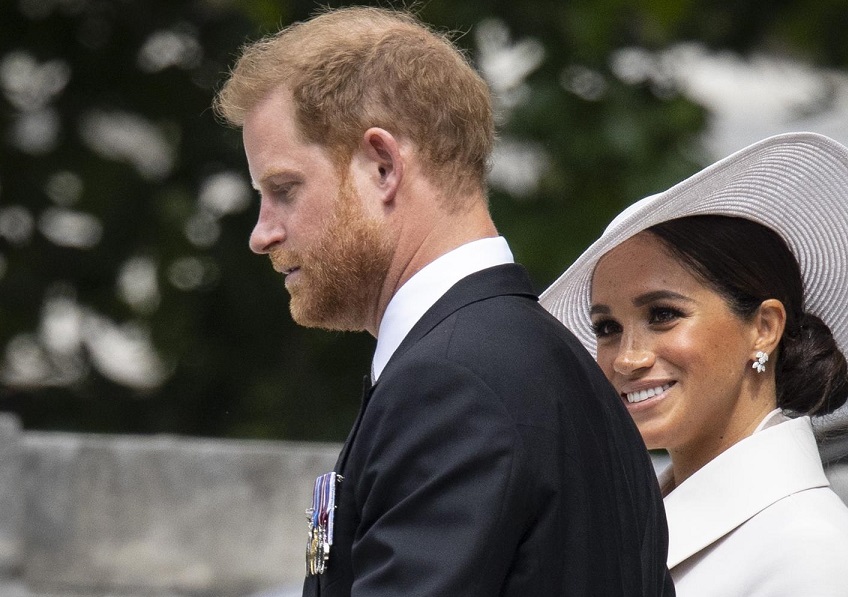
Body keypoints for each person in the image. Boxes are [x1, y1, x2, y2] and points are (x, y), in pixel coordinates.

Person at [213, 7, 672, 597]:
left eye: (283, 190)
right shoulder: (534, 358)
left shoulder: (453, 383)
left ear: (382, 167)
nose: (262, 233)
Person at [542, 132, 848, 596]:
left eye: (663, 315)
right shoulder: (639, 526)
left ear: (764, 328)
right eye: (607, 328)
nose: (629, 358)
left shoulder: (809, 556)